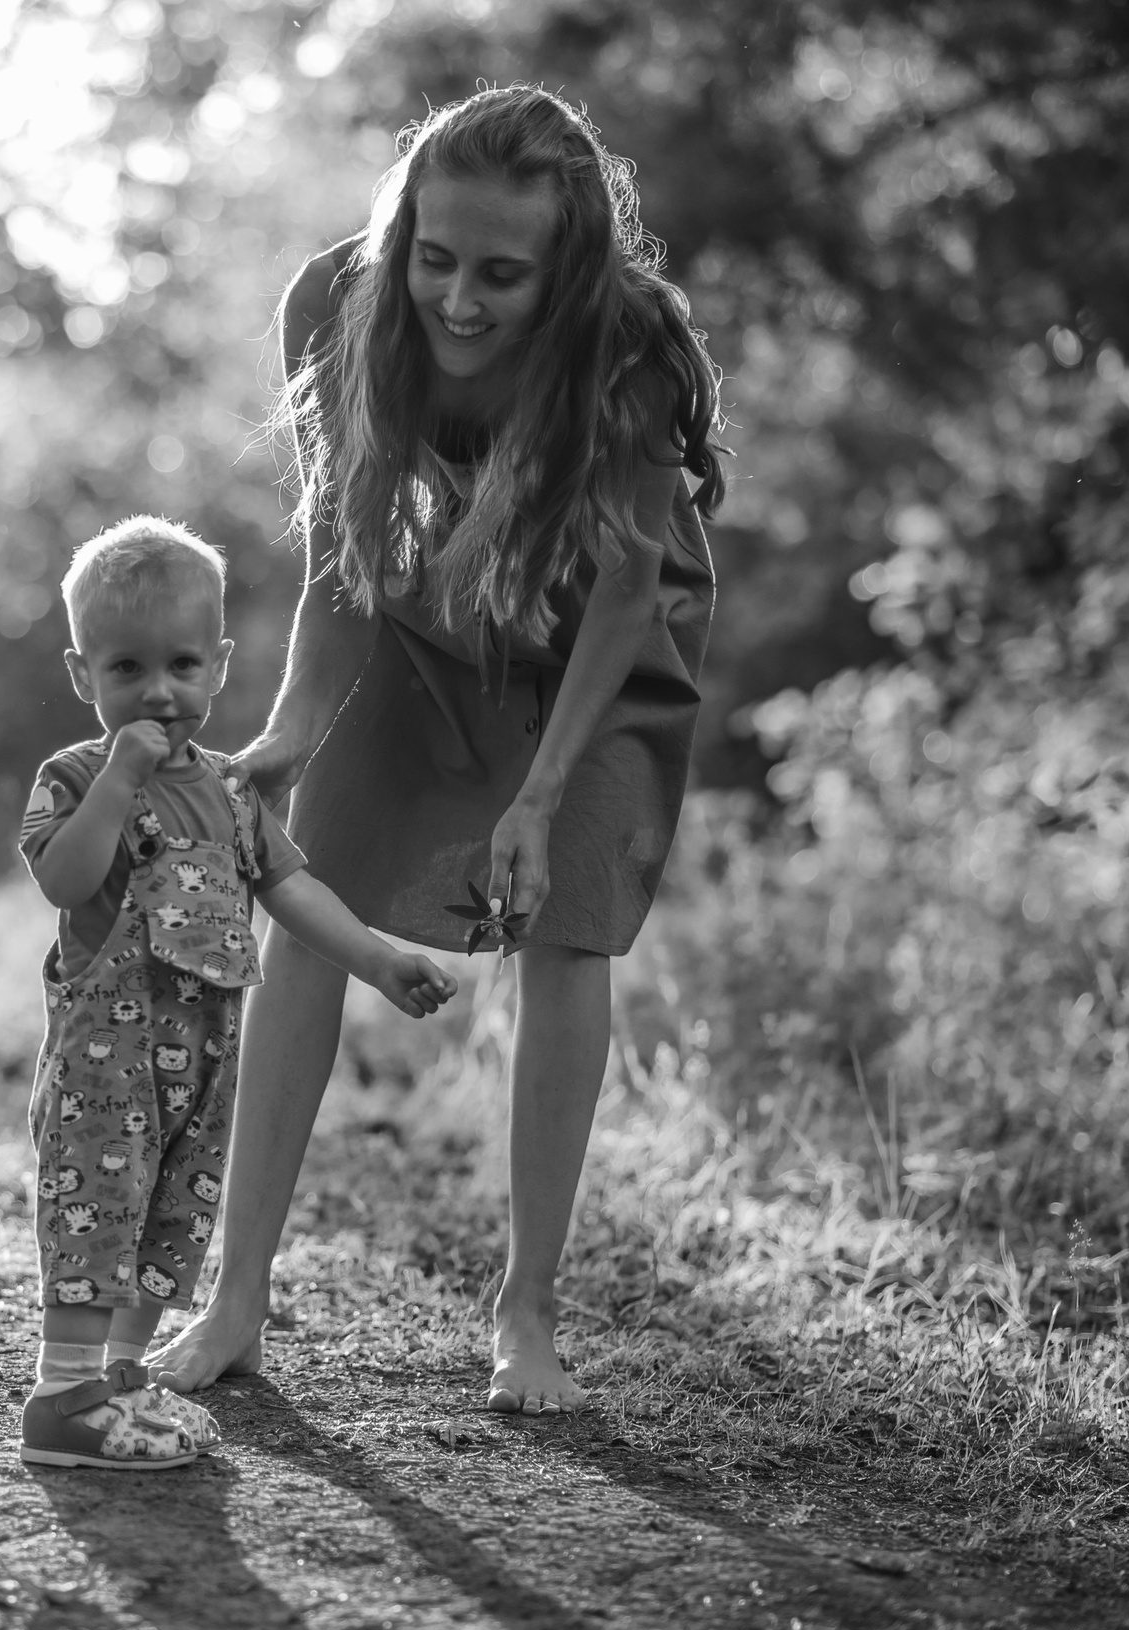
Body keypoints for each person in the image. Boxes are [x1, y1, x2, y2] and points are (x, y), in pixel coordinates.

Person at [154, 87, 724, 1414]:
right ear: (401, 230)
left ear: (567, 270)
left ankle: (527, 1314)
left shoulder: (623, 347)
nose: (459, 301)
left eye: (502, 274)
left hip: (601, 634)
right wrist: (288, 737)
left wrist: (534, 800)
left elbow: (628, 589)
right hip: (434, 601)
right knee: (314, 901)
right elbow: (349, 556)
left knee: (564, 928)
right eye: (436, 257)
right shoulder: (337, 310)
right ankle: (238, 1295)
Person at [17, 517, 458, 1470]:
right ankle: (60, 1398)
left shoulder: (230, 791)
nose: (158, 691)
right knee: (98, 1211)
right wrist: (119, 778)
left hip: (200, 1072)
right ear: (81, 674)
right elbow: (63, 878)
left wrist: (378, 959)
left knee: (167, 1221)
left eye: (181, 665)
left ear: (218, 666)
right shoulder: (76, 776)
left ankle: (120, 1384)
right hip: (105, 1074)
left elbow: (291, 888)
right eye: (126, 668)